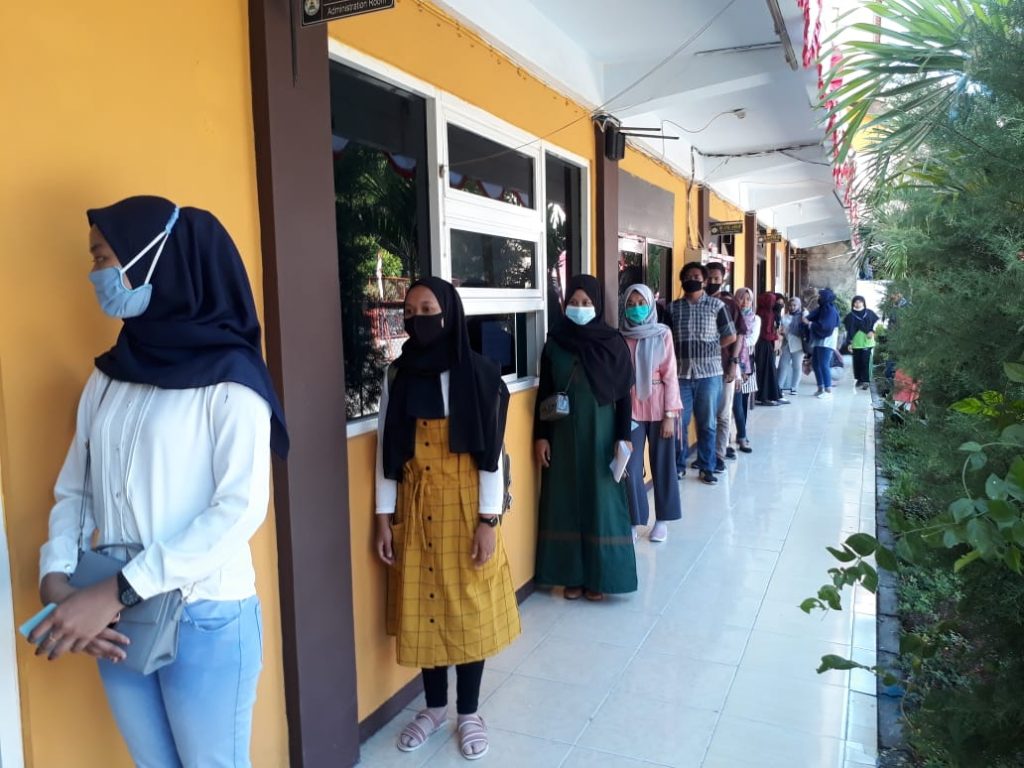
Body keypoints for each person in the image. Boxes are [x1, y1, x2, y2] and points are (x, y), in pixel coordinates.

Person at [34, 196, 289, 767]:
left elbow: (239, 509)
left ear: (153, 259)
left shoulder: (233, 381)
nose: (95, 273)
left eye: (103, 257)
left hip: (203, 614)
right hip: (116, 617)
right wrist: (57, 580)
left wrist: (116, 589)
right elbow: (76, 489)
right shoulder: (108, 377)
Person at [375, 277, 519, 760]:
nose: (419, 318)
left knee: (467, 610)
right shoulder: (396, 376)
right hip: (415, 507)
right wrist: (383, 518)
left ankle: (469, 712)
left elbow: (492, 456)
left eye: (428, 308)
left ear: (450, 313)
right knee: (426, 607)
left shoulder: (479, 373)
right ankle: (434, 708)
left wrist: (488, 521)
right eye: (410, 311)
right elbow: (385, 454)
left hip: (466, 507)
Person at [534, 275, 637, 600]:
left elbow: (623, 395)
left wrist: (623, 437)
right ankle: (572, 576)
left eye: (586, 303)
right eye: (574, 303)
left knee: (600, 502)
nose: (579, 308)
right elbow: (544, 392)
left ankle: (600, 578)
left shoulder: (612, 342)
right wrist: (541, 437)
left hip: (601, 433)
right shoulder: (555, 342)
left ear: (597, 305)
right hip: (562, 435)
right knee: (565, 502)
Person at [620, 283, 682, 543]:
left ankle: (663, 520)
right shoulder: (620, 335)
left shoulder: (662, 333)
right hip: (631, 409)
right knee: (630, 467)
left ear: (650, 304)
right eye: (630, 304)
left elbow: (670, 375)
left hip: (659, 408)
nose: (636, 308)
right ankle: (634, 520)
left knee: (663, 466)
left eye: (641, 303)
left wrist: (670, 415)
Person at [669, 262, 737, 485]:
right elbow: (666, 339)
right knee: (679, 423)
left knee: (707, 423)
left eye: (697, 276)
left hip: (709, 375)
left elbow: (730, 335)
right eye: (688, 276)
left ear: (704, 281)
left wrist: (711, 347)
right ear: (682, 280)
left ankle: (707, 466)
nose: (692, 279)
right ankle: (678, 466)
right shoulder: (672, 308)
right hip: (680, 375)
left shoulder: (717, 306)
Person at [706, 262, 746, 468]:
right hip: (702, 368)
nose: (712, 282)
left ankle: (719, 454)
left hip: (724, 365)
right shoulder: (696, 302)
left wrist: (733, 363)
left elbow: (740, 334)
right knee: (706, 415)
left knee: (722, 413)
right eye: (709, 278)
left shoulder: (730, 304)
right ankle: (707, 455)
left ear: (723, 280)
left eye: (716, 278)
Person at [733, 287, 759, 453]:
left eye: (748, 299)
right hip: (732, 363)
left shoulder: (756, 319)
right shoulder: (731, 315)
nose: (745, 302)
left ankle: (742, 434)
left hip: (747, 364)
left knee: (742, 401)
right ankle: (739, 435)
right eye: (741, 298)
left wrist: (736, 339)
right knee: (734, 403)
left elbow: (751, 340)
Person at [805, 287, 841, 399]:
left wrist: (810, 324)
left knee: (824, 364)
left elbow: (826, 326)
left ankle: (828, 390)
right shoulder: (822, 308)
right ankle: (820, 388)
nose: (819, 298)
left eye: (820, 296)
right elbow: (811, 316)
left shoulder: (830, 310)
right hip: (819, 340)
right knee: (816, 363)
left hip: (827, 341)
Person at [753, 292, 789, 406]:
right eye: (773, 301)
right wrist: (777, 337)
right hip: (764, 345)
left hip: (763, 345)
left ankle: (768, 395)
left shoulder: (761, 312)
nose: (775, 304)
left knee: (766, 370)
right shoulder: (767, 314)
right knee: (767, 370)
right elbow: (766, 334)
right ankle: (764, 396)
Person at [843, 295, 880, 389]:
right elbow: (848, 330)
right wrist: (849, 343)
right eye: (856, 302)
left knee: (865, 361)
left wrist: (872, 331)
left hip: (867, 341)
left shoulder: (869, 313)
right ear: (853, 304)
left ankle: (866, 381)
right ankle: (859, 379)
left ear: (863, 303)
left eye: (860, 302)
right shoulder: (850, 316)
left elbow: (876, 323)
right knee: (857, 362)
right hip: (855, 343)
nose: (858, 304)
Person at [777, 296, 806, 395]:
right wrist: (782, 332)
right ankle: (779, 387)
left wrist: (788, 330)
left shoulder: (803, 316)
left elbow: (805, 328)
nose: (792, 307)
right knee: (782, 366)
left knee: (797, 366)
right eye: (790, 305)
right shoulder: (784, 317)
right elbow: (781, 330)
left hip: (798, 345)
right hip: (786, 344)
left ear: (799, 306)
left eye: (795, 305)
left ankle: (794, 387)